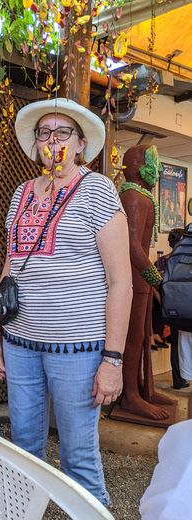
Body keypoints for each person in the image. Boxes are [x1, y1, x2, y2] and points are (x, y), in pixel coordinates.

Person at [0, 97, 132, 506]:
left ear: (81, 144)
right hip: (19, 343)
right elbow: (10, 268)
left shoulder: (97, 190)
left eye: (62, 132)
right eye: (45, 133)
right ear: (36, 144)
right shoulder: (21, 194)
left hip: (78, 349)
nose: (53, 141)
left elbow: (121, 282)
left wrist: (113, 360)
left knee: (78, 457)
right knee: (24, 446)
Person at [119, 145, 176, 422]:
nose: (157, 170)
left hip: (138, 277)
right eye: (152, 163)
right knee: (132, 339)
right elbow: (131, 245)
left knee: (141, 337)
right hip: (131, 278)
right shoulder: (132, 196)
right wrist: (155, 276)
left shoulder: (140, 197)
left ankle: (143, 388)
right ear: (138, 165)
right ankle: (130, 396)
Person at [154, 228, 189, 389]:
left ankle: (178, 378)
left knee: (176, 343)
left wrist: (163, 302)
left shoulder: (164, 261)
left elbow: (156, 283)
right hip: (183, 308)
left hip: (171, 309)